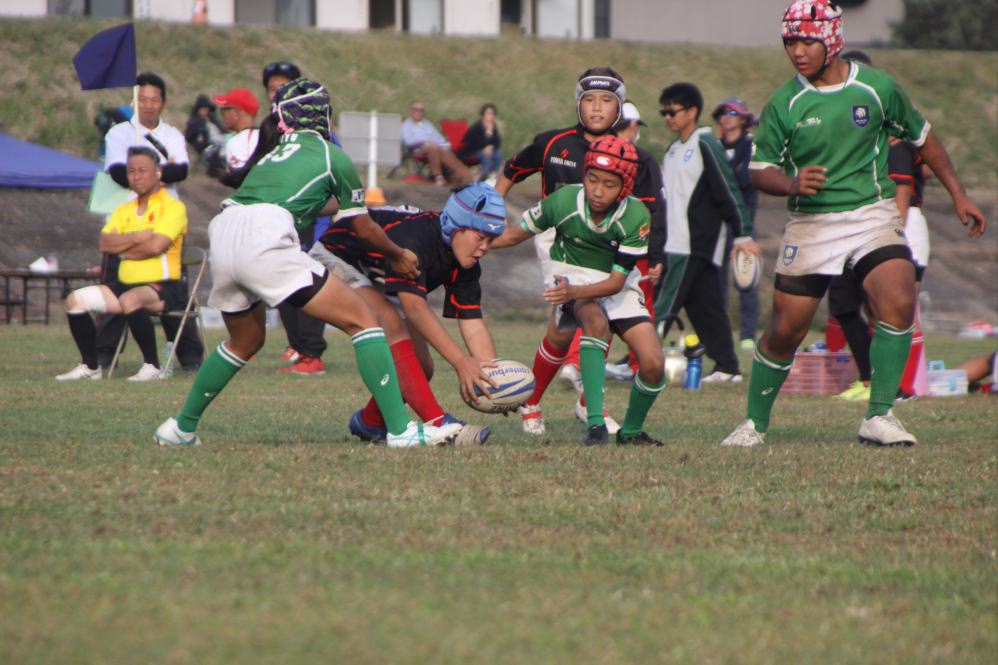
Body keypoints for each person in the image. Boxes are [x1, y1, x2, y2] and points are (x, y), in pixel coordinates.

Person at [720, 0, 986, 448]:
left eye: (807, 41)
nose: (797, 51)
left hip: (871, 214)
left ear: (832, 40)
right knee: (786, 330)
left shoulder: (877, 88)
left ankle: (879, 415)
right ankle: (753, 424)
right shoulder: (786, 102)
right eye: (790, 42)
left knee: (898, 299)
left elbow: (924, 138)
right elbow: (759, 170)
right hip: (811, 224)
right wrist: (792, 184)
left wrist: (958, 193)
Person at [153, 78, 461, 448]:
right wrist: (397, 254)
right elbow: (362, 227)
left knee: (244, 341)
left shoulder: (272, 155)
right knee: (365, 321)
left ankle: (180, 428)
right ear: (324, 117)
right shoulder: (332, 155)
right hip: (264, 234)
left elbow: (308, 202)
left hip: (225, 229)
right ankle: (400, 431)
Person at [496, 67, 662, 435]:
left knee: (582, 327)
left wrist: (655, 255)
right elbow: (511, 170)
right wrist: (491, 213)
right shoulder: (552, 143)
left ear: (620, 107)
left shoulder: (632, 157)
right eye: (589, 99)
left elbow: (646, 212)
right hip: (560, 243)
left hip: (609, 246)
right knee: (581, 323)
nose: (597, 108)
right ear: (577, 103)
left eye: (606, 100)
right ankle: (569, 405)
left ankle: (580, 402)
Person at [310, 184, 506, 446]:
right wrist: (461, 362)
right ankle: (438, 422)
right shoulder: (417, 238)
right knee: (390, 322)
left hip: (375, 273)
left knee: (421, 367)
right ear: (457, 226)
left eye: (490, 241)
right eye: (480, 237)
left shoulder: (467, 263)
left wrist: (496, 380)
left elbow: (473, 324)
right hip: (334, 255)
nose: (484, 247)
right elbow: (414, 309)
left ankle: (370, 421)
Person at [653, 82, 761, 384]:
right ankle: (727, 367)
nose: (668, 118)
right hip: (675, 243)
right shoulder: (672, 150)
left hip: (691, 243)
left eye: (673, 112)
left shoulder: (706, 144)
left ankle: (637, 360)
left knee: (663, 303)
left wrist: (743, 233)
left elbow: (728, 189)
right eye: (664, 113)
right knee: (706, 308)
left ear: (692, 112)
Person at [56, 147, 189, 382]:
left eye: (143, 171)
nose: (136, 177)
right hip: (124, 284)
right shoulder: (123, 210)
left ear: (158, 172)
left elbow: (156, 246)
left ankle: (152, 365)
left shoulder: (173, 207)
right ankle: (90, 366)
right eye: (131, 171)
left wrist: (125, 248)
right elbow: (105, 244)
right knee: (75, 300)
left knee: (130, 299)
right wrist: (139, 236)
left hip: (164, 285)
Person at [101, 71, 203, 372]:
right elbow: (118, 173)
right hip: (125, 219)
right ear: (135, 101)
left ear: (163, 102)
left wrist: (143, 173)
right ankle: (104, 355)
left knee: (173, 290)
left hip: (163, 221)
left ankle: (188, 356)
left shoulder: (172, 135)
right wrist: (158, 172)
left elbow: (181, 171)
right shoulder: (119, 134)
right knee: (115, 286)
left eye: (154, 100)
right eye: (142, 99)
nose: (148, 105)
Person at [261, 62, 329, 375]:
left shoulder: (317, 134)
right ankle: (299, 349)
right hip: (277, 223)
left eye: (283, 88)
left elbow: (331, 183)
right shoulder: (269, 129)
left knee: (308, 286)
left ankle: (312, 353)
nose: (277, 94)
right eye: (272, 89)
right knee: (283, 287)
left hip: (309, 227)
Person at [595, 101, 666, 383]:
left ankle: (587, 364)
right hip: (637, 247)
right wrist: (657, 254)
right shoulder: (642, 159)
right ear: (633, 125)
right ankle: (640, 367)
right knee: (641, 306)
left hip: (601, 245)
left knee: (594, 307)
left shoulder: (596, 152)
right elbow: (654, 209)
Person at [713, 96, 761, 351]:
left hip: (742, 223)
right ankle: (718, 331)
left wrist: (745, 231)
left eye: (733, 113)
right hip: (716, 223)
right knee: (715, 281)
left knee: (746, 278)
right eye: (724, 112)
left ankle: (747, 335)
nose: (727, 117)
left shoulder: (750, 147)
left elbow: (746, 189)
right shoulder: (714, 147)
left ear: (743, 120)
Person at [401, 100, 474, 186]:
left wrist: (444, 145)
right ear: (410, 111)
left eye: (421, 110)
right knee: (433, 146)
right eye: (416, 109)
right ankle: (438, 176)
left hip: (434, 148)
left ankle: (467, 176)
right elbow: (409, 141)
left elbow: (439, 138)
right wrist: (425, 142)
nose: (419, 112)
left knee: (444, 150)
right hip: (417, 149)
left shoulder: (427, 124)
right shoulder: (406, 125)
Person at [213, 86, 260, 171]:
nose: (223, 115)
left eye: (224, 110)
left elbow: (239, 176)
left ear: (236, 112)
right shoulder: (265, 135)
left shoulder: (236, 142)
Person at [458, 103, 503, 183]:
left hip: (488, 150)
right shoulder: (476, 127)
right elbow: (474, 143)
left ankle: (493, 174)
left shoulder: (494, 126)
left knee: (498, 153)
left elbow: (497, 142)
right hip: (473, 150)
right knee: (487, 154)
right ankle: (484, 175)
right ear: (483, 114)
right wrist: (487, 134)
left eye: (492, 114)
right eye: (488, 113)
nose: (490, 116)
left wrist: (491, 146)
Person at [184, 94, 226, 176]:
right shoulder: (195, 123)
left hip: (221, 141)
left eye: (206, 109)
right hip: (209, 146)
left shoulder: (212, 120)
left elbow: (223, 130)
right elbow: (190, 137)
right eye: (203, 109)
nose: (205, 111)